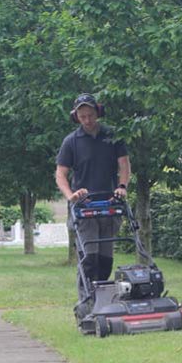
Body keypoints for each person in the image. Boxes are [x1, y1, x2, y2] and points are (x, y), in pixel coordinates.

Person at [55, 93, 131, 299]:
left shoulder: (112, 136)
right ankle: (87, 301)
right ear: (76, 117)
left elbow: (124, 165)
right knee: (90, 257)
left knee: (105, 259)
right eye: (82, 117)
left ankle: (105, 298)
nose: (87, 120)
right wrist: (71, 195)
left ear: (98, 112)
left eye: (90, 115)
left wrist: (122, 186)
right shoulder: (71, 141)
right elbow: (61, 174)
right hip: (84, 206)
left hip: (110, 204)